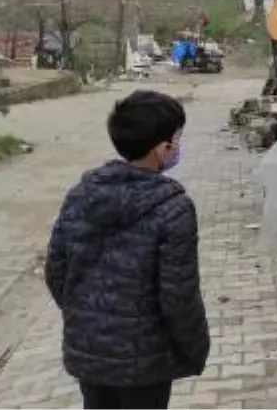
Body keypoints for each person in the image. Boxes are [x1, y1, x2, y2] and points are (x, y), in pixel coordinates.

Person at [45, 90, 209, 410]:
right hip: (146, 362)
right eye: (177, 138)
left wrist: (87, 321)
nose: (177, 146)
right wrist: (195, 347)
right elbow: (178, 297)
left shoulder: (81, 194)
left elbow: (56, 270)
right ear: (163, 147)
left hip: (89, 353)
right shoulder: (173, 208)